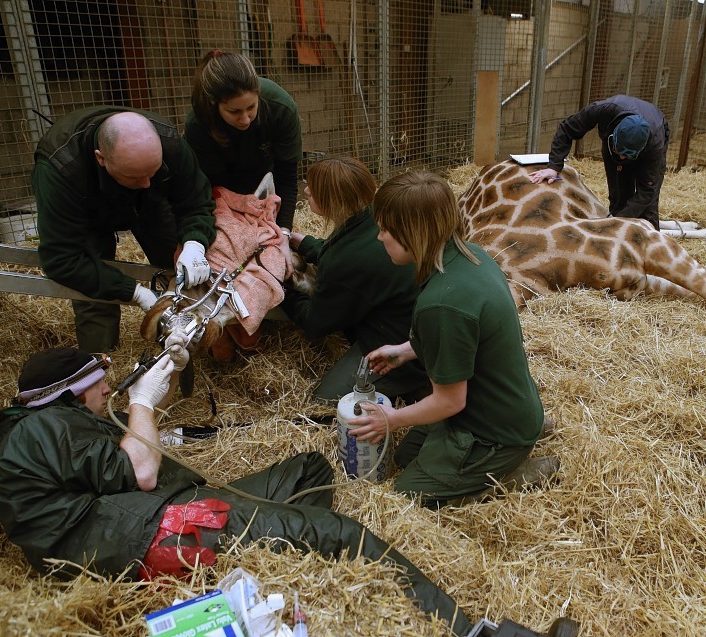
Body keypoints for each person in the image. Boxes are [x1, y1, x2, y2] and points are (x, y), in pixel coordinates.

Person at [0, 338, 472, 636]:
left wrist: (169, 373)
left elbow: (134, 443)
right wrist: (142, 402)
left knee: (308, 468)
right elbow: (143, 470)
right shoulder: (45, 428)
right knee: (340, 532)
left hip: (150, 510)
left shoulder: (48, 426)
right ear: (72, 391)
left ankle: (280, 555)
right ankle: (470, 632)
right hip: (145, 533)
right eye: (98, 382)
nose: (107, 389)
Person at [346, 171, 558, 508]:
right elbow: (467, 337)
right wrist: (406, 351)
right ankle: (519, 435)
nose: (379, 237)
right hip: (506, 406)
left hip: (493, 432)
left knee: (410, 494)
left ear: (412, 233)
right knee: (403, 456)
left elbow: (449, 402)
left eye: (385, 228)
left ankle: (515, 473)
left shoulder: (441, 304)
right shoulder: (471, 255)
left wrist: (390, 420)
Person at [34, 107, 217, 354]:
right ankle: (101, 362)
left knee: (179, 266)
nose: (145, 182)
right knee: (94, 295)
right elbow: (61, 259)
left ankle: (190, 343)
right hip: (88, 214)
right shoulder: (59, 168)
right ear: (101, 158)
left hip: (150, 204)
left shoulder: (170, 144)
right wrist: (135, 293)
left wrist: (194, 243)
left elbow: (197, 201)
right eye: (134, 176)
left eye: (153, 171)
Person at [279, 158, 429, 403]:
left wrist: (283, 289)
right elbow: (343, 253)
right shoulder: (373, 215)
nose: (306, 190)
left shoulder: (345, 260)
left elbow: (316, 323)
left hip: (400, 346)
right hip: (408, 322)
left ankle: (412, 384)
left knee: (325, 400)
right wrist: (306, 243)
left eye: (313, 188)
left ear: (333, 200)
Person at [185, 50, 303, 232]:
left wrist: (284, 231)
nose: (245, 119)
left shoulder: (280, 107)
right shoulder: (198, 124)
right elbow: (212, 188)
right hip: (223, 186)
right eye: (234, 111)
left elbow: (287, 176)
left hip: (264, 177)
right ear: (213, 103)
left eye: (251, 107)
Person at [529, 95, 669, 229]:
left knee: (648, 208)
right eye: (620, 152)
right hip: (612, 142)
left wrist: (617, 221)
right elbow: (567, 129)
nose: (622, 159)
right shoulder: (603, 110)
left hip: (654, 132)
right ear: (614, 135)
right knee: (618, 194)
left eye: (627, 156)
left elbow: (647, 191)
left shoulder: (655, 143)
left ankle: (651, 242)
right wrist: (554, 165)